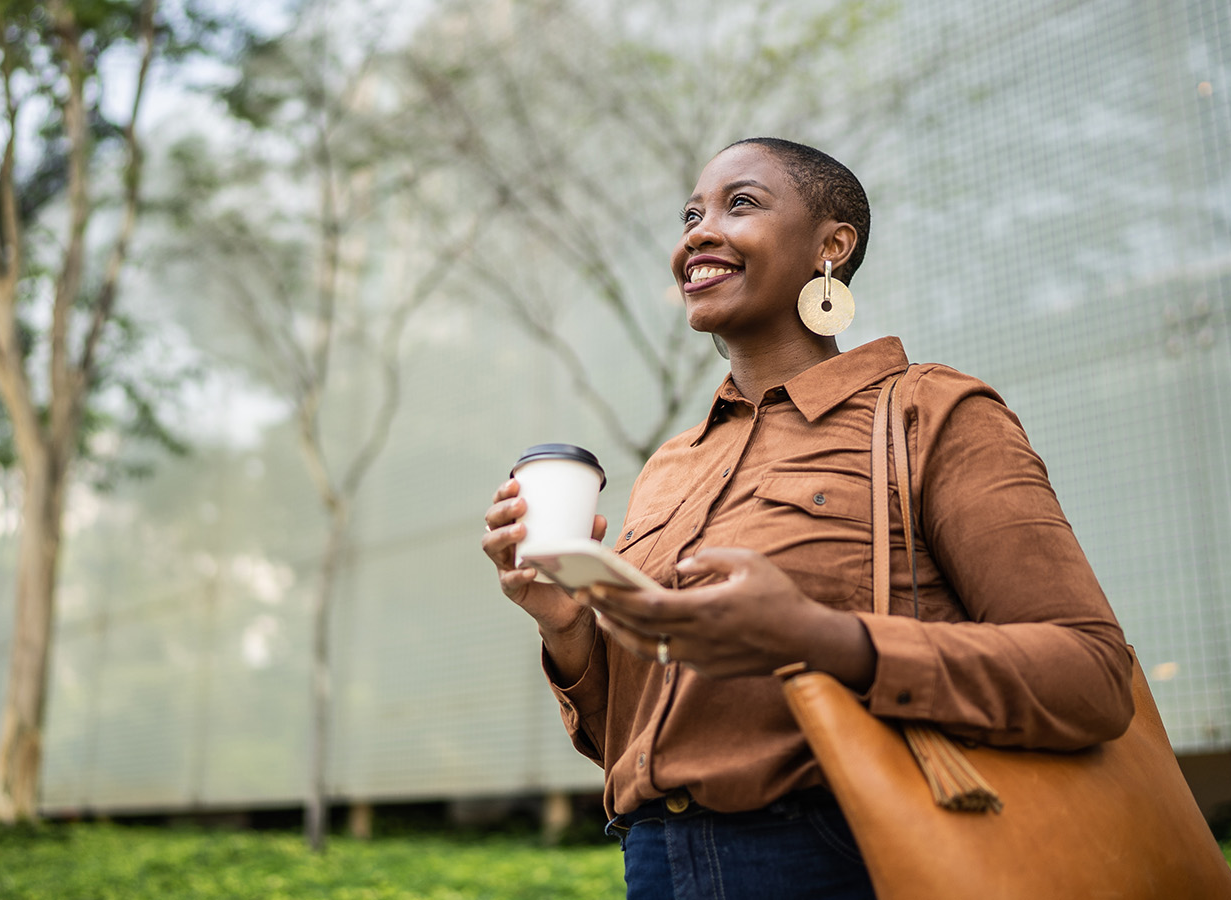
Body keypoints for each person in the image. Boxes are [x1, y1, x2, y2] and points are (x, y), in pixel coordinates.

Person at [480, 137, 1134, 899]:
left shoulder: (932, 413)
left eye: (741, 203)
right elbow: (633, 742)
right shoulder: (668, 467)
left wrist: (815, 637)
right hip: (655, 859)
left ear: (833, 244)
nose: (697, 231)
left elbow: (1091, 678)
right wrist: (565, 628)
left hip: (845, 848)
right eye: (690, 213)